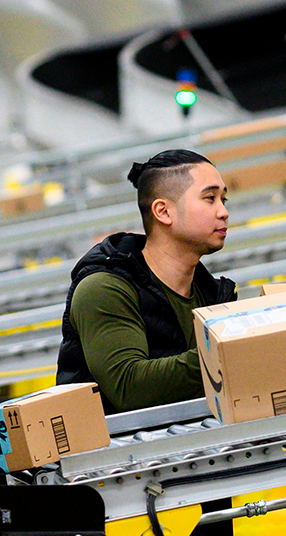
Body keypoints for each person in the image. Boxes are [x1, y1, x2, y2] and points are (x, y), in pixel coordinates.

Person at [57, 149, 238, 414]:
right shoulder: (103, 289)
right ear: (163, 212)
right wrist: (230, 351)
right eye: (210, 198)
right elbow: (128, 387)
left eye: (224, 199)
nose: (223, 212)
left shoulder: (210, 292)